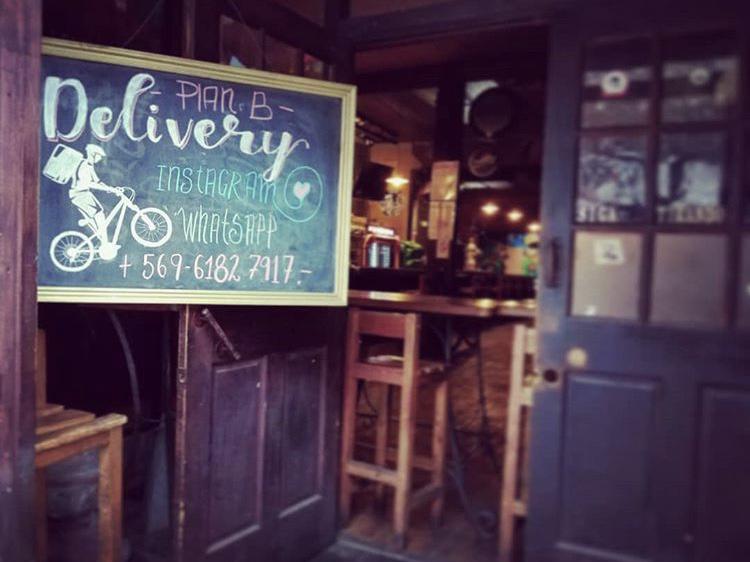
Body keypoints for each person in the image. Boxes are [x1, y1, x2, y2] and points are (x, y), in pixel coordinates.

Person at [69, 144, 123, 245]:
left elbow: (97, 181)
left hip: (84, 193)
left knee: (100, 214)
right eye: (99, 156)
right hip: (79, 194)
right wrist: (107, 188)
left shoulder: (89, 165)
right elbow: (89, 183)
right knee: (99, 215)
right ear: (93, 154)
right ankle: (104, 243)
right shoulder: (85, 166)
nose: (100, 159)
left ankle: (101, 237)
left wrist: (111, 189)